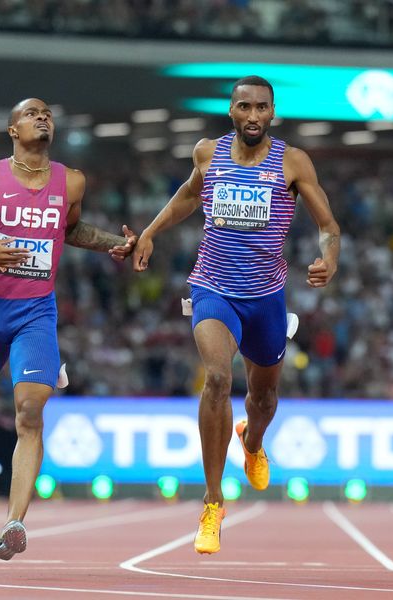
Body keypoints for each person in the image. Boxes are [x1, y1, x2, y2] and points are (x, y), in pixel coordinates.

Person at [133, 76, 340, 555]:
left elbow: (328, 226)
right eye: (244, 107)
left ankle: (252, 441)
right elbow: (189, 194)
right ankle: (212, 504)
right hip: (213, 290)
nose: (252, 116)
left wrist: (329, 258)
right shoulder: (208, 152)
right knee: (218, 381)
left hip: (265, 298)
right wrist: (149, 231)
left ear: (272, 114)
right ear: (231, 111)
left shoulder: (292, 162)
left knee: (263, 401)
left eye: (261, 108)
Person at [0, 97, 136, 560]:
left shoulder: (72, 181)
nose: (42, 117)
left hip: (36, 313)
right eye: (31, 114)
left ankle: (14, 522)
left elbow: (71, 230)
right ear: (12, 130)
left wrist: (114, 244)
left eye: (47, 113)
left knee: (29, 414)